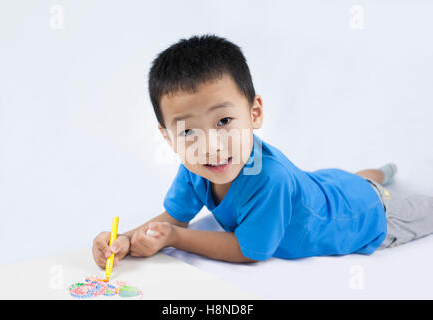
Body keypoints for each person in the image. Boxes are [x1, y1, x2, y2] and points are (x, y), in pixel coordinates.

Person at [92, 34, 433, 268]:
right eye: (189, 132)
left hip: (367, 215)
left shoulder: (270, 179)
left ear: (254, 113)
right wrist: (123, 240)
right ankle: (380, 172)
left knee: (383, 196)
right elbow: (173, 217)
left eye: (224, 120)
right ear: (168, 138)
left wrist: (176, 239)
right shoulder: (196, 167)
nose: (211, 145)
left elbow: (248, 250)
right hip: (326, 184)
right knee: (351, 179)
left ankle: (380, 181)